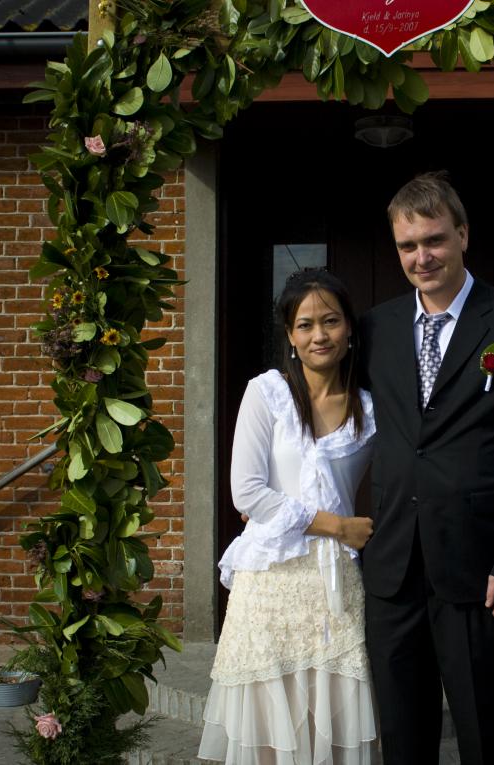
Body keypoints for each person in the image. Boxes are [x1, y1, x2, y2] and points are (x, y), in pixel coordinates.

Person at [359, 172, 494, 765]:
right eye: (407, 246)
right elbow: (326, 413)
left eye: (434, 240)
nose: (421, 257)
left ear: (463, 235)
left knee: (488, 738)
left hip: (483, 573)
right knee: (403, 742)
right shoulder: (375, 328)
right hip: (393, 572)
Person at [199, 269, 379, 764]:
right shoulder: (267, 393)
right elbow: (247, 491)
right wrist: (337, 525)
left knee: (332, 718)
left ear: (349, 329)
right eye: (305, 325)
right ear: (290, 336)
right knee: (265, 723)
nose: (319, 335)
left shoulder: (369, 410)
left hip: (334, 584)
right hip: (269, 580)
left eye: (331, 321)